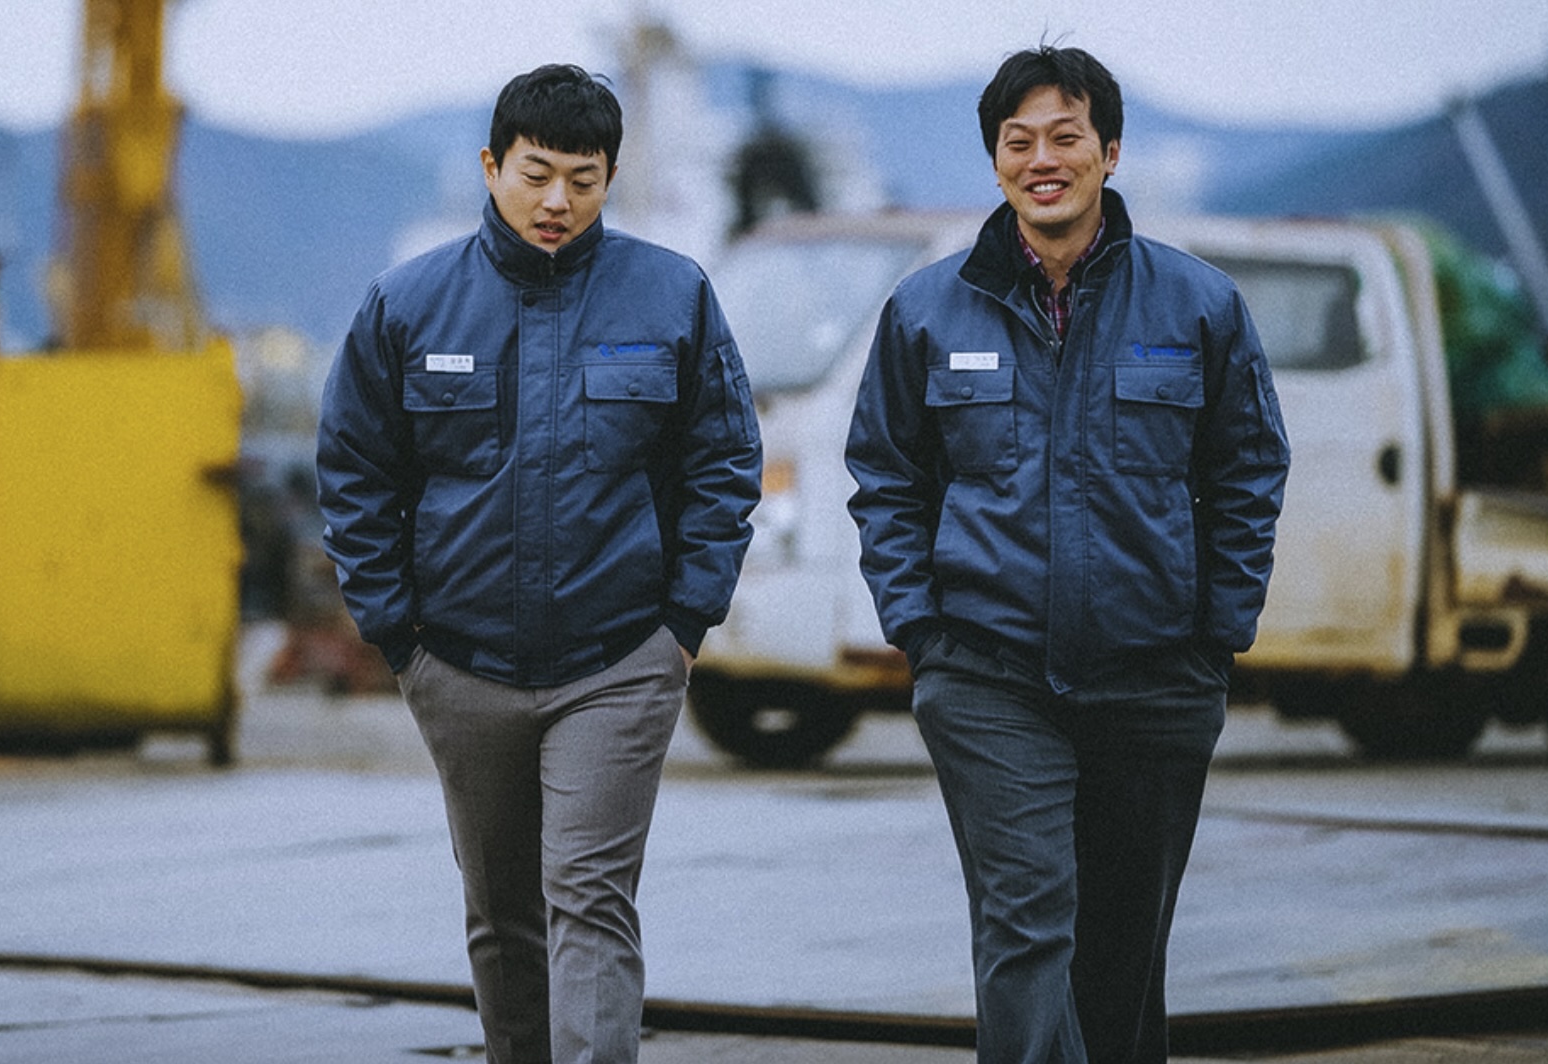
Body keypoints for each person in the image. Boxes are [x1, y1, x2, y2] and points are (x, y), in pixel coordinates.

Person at [845, 46, 1290, 1063]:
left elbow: (1249, 467)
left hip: (1155, 677)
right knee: (1027, 923)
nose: (1042, 159)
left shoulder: (1197, 305)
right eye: (1019, 141)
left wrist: (1216, 635)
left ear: (1110, 152)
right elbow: (886, 475)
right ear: (995, 160)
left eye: (1065, 137)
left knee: (1123, 952)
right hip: (988, 673)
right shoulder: (927, 310)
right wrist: (922, 632)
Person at [315, 63, 761, 1064]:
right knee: (502, 910)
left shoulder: (673, 295)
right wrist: (397, 633)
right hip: (458, 664)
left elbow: (725, 460)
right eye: (537, 174)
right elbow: (353, 467)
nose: (558, 200)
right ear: (492, 166)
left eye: (584, 179)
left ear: (611, 178)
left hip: (619, 660)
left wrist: (683, 622)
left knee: (589, 896)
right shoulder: (409, 305)